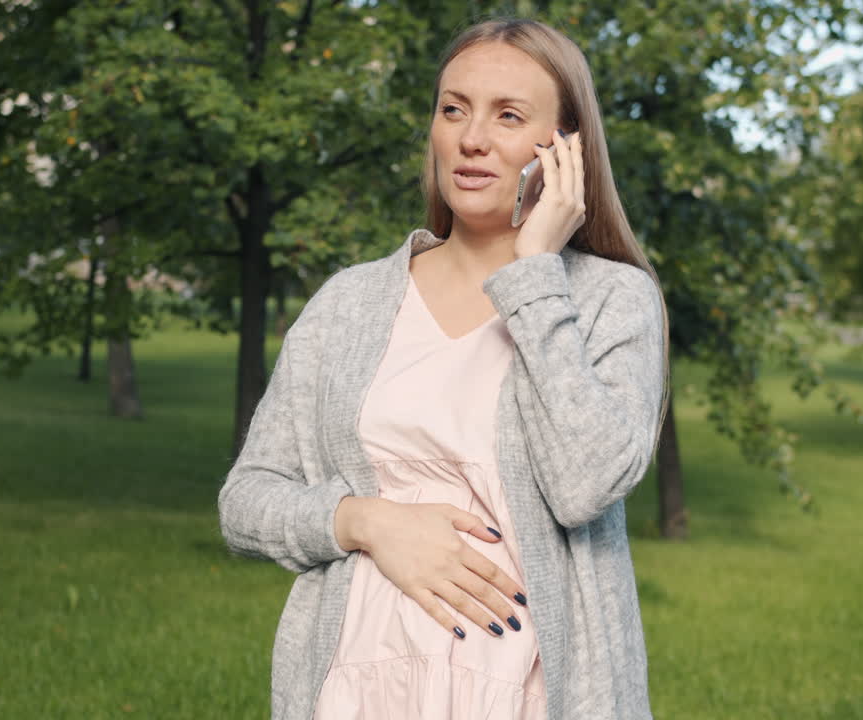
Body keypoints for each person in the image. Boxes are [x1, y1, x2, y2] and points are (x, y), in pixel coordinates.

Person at [219, 16, 670, 720]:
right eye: (453, 108)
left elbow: (587, 485)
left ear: (566, 150)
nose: (472, 138)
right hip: (358, 690)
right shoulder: (351, 303)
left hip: (530, 695)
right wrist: (363, 520)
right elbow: (246, 500)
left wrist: (534, 277)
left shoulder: (611, 300)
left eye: (508, 115)